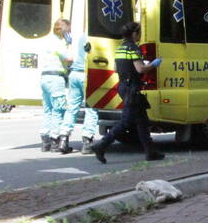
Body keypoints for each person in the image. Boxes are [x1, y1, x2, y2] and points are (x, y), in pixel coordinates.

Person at [90, 21, 163, 163]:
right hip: (132, 89)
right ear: (134, 33)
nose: (140, 36)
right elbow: (140, 69)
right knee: (125, 122)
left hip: (124, 86)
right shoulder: (134, 49)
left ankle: (150, 152)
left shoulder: (120, 48)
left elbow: (116, 69)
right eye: (139, 33)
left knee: (142, 121)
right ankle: (101, 145)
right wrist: (153, 64)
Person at [59, 20, 99, 154]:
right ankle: (87, 141)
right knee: (91, 108)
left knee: (72, 108)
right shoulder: (96, 37)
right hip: (86, 75)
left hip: (74, 73)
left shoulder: (83, 36)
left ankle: (63, 139)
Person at [39, 19, 72, 153]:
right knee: (58, 110)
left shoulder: (47, 40)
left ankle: (45, 140)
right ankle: (55, 140)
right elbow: (69, 59)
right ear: (65, 30)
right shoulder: (59, 43)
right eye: (69, 30)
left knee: (48, 109)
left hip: (45, 78)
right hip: (56, 78)